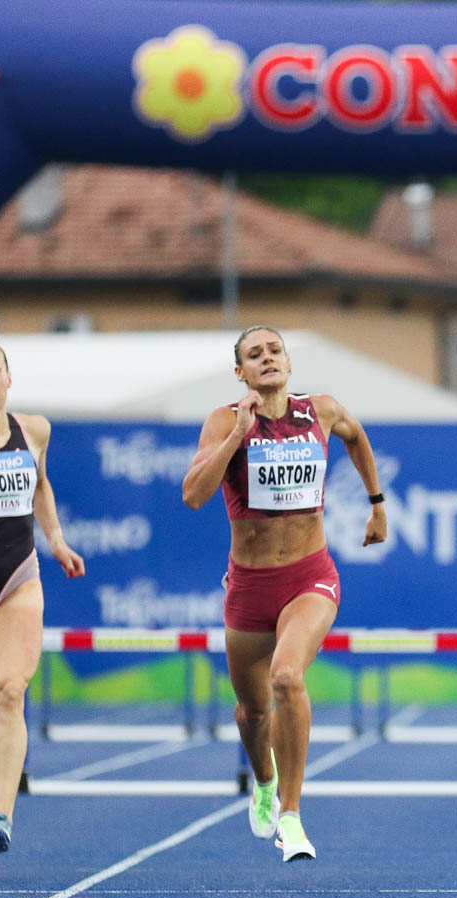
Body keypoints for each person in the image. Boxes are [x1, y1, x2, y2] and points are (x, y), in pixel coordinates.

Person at [181, 327, 386, 863]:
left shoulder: (321, 410)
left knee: (287, 677)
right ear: (240, 372)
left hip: (309, 578)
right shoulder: (224, 420)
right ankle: (265, 782)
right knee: (252, 713)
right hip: (249, 587)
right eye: (255, 354)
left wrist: (377, 503)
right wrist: (238, 435)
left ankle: (290, 818)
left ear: (289, 363)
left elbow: (356, 436)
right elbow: (193, 496)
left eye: (275, 351)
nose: (267, 359)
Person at [0, 339, 85, 852]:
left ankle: (1, 813)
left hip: (16, 578)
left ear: (9, 377)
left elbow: (40, 484)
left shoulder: (34, 431)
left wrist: (57, 541)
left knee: (9, 691)